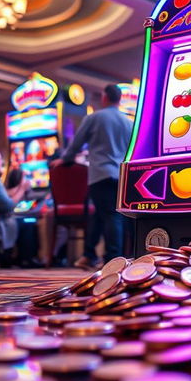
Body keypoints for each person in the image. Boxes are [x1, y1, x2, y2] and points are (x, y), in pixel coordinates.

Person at [53, 84, 133, 270]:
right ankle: (89, 255)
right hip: (123, 175)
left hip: (101, 173)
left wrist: (64, 160)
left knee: (111, 216)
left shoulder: (95, 117)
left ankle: (113, 259)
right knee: (101, 214)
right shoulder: (129, 122)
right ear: (120, 99)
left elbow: (76, 144)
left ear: (104, 97)